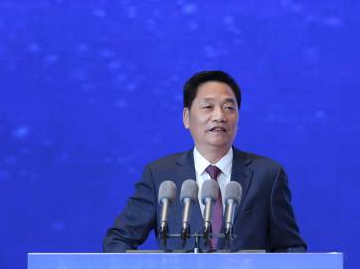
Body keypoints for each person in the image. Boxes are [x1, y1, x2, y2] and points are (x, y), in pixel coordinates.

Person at [103, 70, 306, 252]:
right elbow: (117, 240)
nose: (219, 116)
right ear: (186, 117)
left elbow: (290, 247)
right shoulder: (159, 175)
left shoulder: (268, 174)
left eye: (229, 107)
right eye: (208, 106)